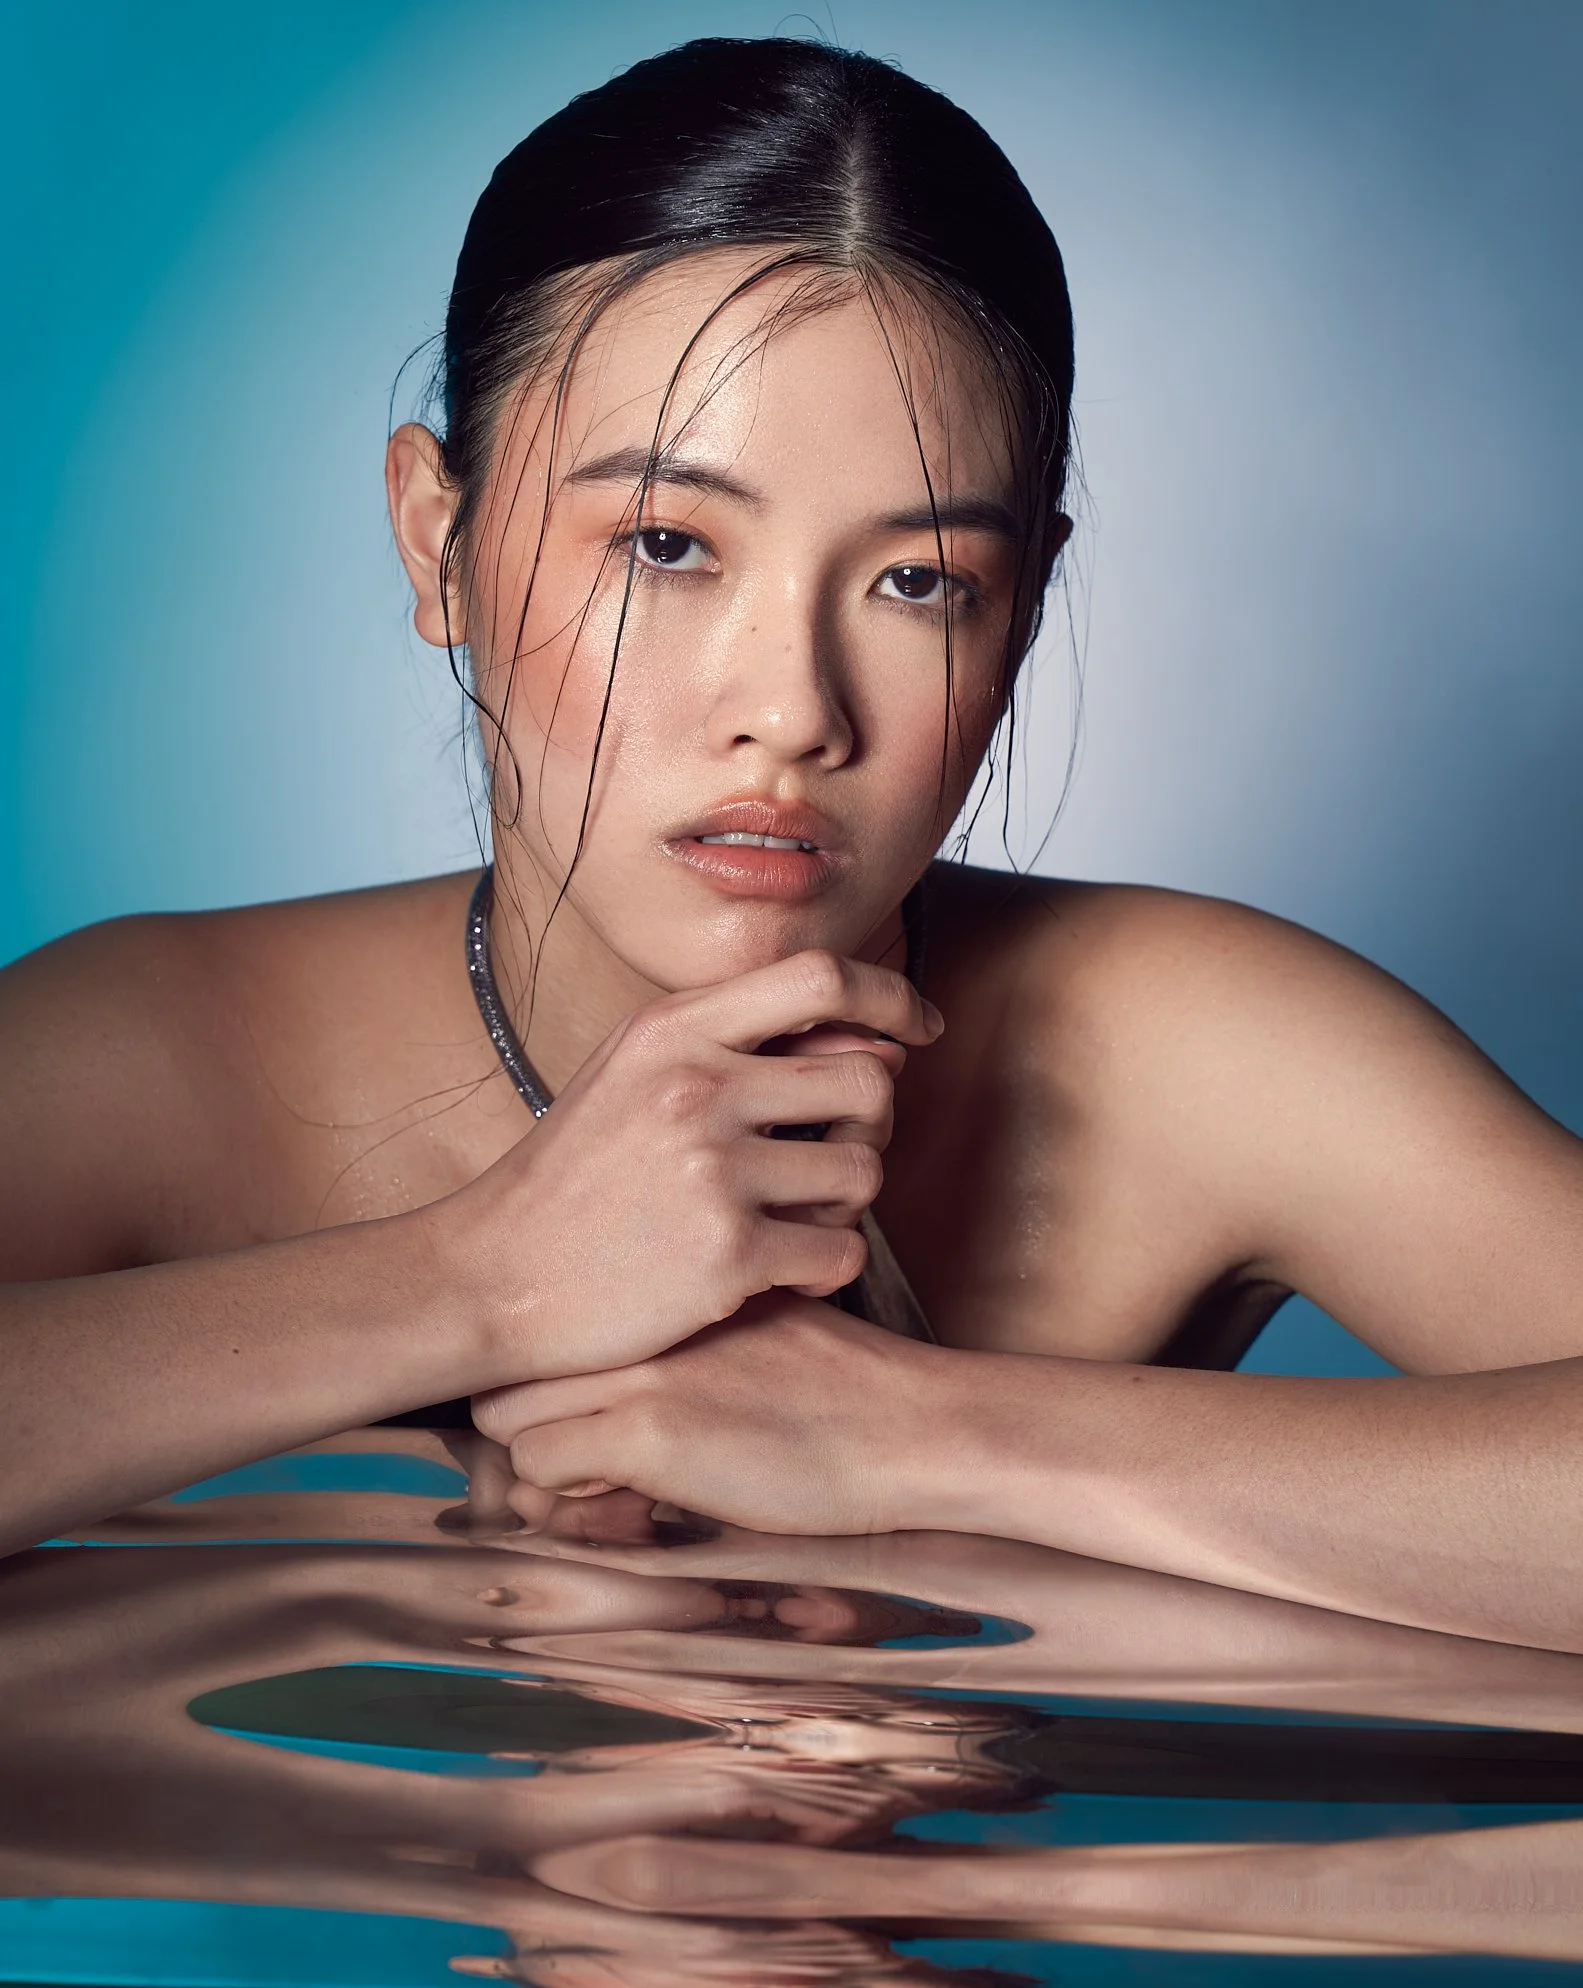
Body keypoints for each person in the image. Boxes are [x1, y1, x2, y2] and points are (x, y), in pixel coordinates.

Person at [2, 38, 1581, 1646]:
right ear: (441, 545)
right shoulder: (163, 1059)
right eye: (669, 544)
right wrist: (479, 1281)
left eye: (919, 582)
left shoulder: (1190, 1048)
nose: (792, 713)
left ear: (1024, 607)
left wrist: (933, 1436)